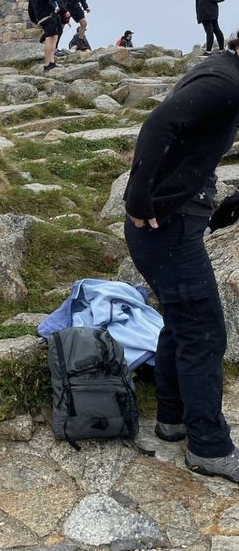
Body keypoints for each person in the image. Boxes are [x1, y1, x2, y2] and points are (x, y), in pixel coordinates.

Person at [123, 33, 239, 483]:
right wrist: (138, 198)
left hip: (176, 219)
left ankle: (171, 420)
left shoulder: (225, 72)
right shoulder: (225, 81)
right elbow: (158, 125)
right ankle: (209, 447)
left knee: (180, 319)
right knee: (204, 331)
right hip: (163, 227)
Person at [28, 0, 62, 71]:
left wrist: (34, 19)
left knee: (54, 36)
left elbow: (30, 7)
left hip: (41, 16)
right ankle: (48, 63)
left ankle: (51, 61)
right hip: (46, 14)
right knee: (49, 38)